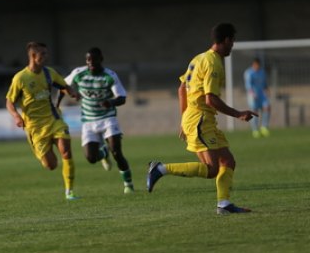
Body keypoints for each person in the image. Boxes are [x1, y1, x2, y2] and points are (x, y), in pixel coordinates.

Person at [146, 23, 258, 215]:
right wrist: (238, 114)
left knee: (228, 161)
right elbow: (211, 99)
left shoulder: (199, 58)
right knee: (212, 169)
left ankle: (224, 204)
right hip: (200, 119)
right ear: (226, 40)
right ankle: (161, 168)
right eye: (232, 42)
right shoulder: (213, 62)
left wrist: (183, 118)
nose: (232, 46)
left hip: (197, 118)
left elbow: (182, 88)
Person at [6, 42, 80, 200]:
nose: (46, 57)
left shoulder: (49, 73)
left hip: (54, 119)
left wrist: (72, 91)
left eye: (46, 54)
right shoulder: (20, 78)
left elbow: (63, 85)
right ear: (33, 56)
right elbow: (9, 102)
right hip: (35, 128)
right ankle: (53, 166)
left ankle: (69, 191)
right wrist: (17, 116)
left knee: (66, 151)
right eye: (43, 54)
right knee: (51, 165)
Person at [58, 47, 134, 194]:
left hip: (108, 119)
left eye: (94, 59)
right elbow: (62, 85)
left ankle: (128, 184)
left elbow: (122, 98)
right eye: (88, 60)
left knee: (117, 152)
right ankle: (103, 153)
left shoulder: (109, 76)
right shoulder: (78, 74)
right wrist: (59, 102)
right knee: (91, 158)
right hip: (88, 121)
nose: (91, 62)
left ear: (101, 59)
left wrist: (110, 103)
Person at [244, 58, 271, 138]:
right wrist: (252, 94)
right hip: (253, 95)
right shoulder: (249, 73)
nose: (257, 66)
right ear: (253, 64)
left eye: (259, 65)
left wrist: (267, 89)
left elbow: (264, 83)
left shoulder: (262, 72)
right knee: (254, 112)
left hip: (262, 95)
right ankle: (255, 130)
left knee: (267, 107)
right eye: (256, 65)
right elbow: (248, 85)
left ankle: (264, 127)